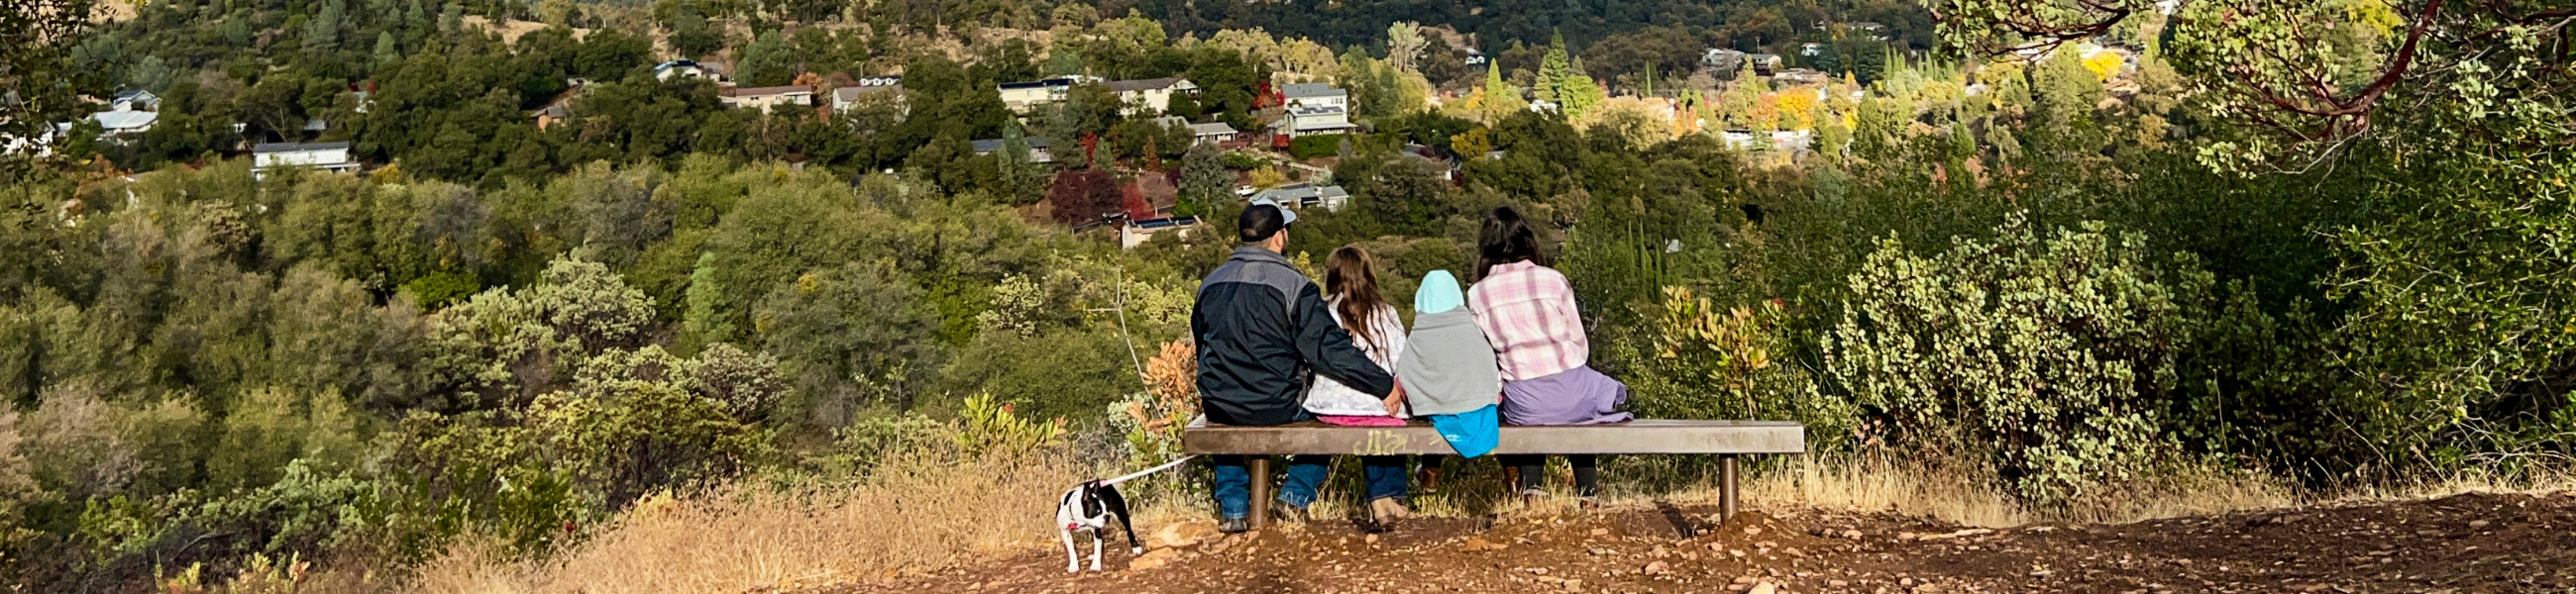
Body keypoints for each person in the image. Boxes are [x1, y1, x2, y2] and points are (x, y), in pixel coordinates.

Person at [1193, 198, 1401, 534]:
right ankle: (1294, 494)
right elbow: (1327, 349)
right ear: (1279, 238)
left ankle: (1233, 508)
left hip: (1220, 402)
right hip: (1276, 403)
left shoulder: (1210, 283)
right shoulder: (1295, 286)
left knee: (1222, 407)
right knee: (1326, 415)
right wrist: (1381, 383)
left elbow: (1202, 342)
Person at [1466, 206, 1632, 507]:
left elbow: (1485, 355)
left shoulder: (1478, 294)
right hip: (1572, 388)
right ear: (1526, 239)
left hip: (1524, 399)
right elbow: (1580, 345)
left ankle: (1532, 490)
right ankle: (1589, 494)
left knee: (1527, 411)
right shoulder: (1553, 279)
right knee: (1583, 413)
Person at [1299, 246, 1414, 526]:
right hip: (1378, 403)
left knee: (1342, 430)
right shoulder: (1385, 313)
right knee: (1388, 424)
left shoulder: (1323, 310)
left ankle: (1296, 495)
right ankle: (1387, 496)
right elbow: (1401, 362)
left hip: (1328, 407)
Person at [1393, 269, 1504, 494]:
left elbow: (1404, 375)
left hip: (1440, 412)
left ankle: (1430, 472)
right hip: (1480, 410)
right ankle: (1515, 479)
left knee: (1435, 412)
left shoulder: (1419, 334)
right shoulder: (1473, 331)